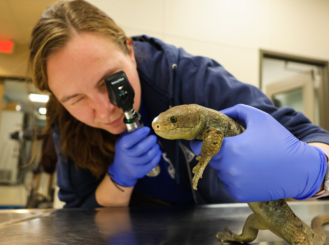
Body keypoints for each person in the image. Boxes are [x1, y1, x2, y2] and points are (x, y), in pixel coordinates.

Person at [28, 0, 329, 208]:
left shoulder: (193, 77)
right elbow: (79, 211)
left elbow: (307, 135)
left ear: (130, 51)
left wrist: (315, 171)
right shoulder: (65, 121)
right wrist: (118, 179)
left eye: (107, 80)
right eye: (75, 99)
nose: (105, 109)